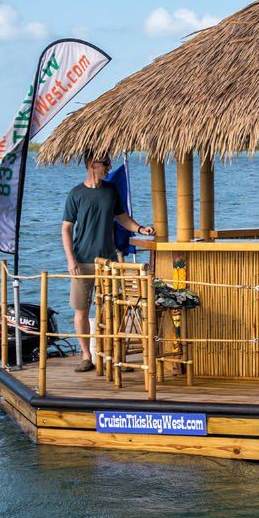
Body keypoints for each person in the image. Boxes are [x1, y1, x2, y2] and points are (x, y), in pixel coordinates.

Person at [62, 153, 154, 372]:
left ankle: (114, 356)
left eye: (109, 163)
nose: (108, 167)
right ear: (92, 165)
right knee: (81, 310)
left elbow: (122, 218)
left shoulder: (111, 190)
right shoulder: (76, 194)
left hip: (109, 262)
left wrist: (141, 229)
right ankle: (87, 356)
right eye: (105, 164)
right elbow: (66, 228)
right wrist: (70, 260)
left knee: (114, 309)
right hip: (82, 261)